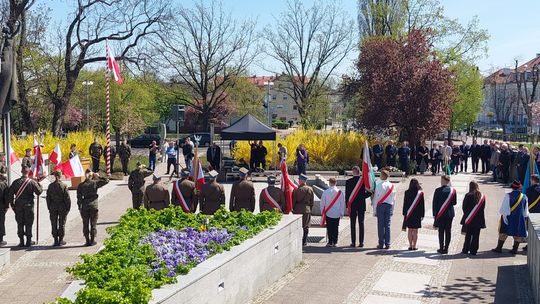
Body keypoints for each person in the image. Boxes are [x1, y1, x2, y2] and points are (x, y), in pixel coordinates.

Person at [7, 166, 43, 247]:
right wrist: (39, 184)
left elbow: (10, 194)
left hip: (18, 206)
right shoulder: (32, 182)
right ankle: (28, 241)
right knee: (28, 224)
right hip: (29, 206)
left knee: (20, 223)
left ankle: (21, 241)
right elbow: (39, 192)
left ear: (21, 171)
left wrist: (12, 205)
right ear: (28, 171)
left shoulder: (15, 182)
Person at [492, 180, 529, 254]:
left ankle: (499, 248)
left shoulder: (508, 195)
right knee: (517, 234)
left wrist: (504, 217)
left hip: (509, 217)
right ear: (519, 188)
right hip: (519, 218)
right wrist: (524, 218)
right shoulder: (524, 197)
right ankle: (515, 249)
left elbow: (504, 208)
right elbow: (525, 211)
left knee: (503, 232)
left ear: (512, 188)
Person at [77, 170, 109, 246]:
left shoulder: (81, 185)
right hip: (93, 205)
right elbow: (107, 180)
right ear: (92, 175)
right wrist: (98, 176)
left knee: (85, 224)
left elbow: (79, 198)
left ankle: (87, 240)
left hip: (85, 205)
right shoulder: (94, 183)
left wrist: (79, 207)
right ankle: (92, 240)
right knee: (93, 224)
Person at [346, 166, 371, 247]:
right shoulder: (363, 181)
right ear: (359, 172)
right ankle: (361, 242)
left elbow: (347, 195)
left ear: (353, 172)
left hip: (352, 205)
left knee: (352, 224)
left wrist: (347, 205)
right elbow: (369, 192)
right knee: (361, 223)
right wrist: (362, 197)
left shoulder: (348, 182)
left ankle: (353, 242)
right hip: (361, 205)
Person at [432, 175, 457, 254]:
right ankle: (446, 248)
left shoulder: (438, 190)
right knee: (448, 231)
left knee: (441, 231)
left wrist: (434, 214)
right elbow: (454, 202)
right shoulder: (453, 191)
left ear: (444, 181)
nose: (441, 181)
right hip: (449, 214)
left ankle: (441, 247)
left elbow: (434, 204)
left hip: (440, 214)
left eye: (441, 180)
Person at [460, 181, 486, 255]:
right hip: (479, 219)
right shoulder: (482, 196)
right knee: (476, 236)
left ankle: (465, 249)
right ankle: (473, 250)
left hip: (469, 218)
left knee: (468, 235)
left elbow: (464, 207)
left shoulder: (468, 195)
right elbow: (483, 207)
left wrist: (467, 214)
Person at [372, 169, 396, 249]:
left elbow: (375, 198)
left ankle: (381, 243)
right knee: (388, 225)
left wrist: (374, 210)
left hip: (380, 206)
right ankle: (388, 243)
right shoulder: (392, 186)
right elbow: (394, 199)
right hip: (389, 205)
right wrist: (393, 210)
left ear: (382, 176)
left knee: (381, 225)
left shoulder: (379, 186)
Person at [46, 171, 71, 246]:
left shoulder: (50, 186)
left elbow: (48, 198)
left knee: (53, 223)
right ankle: (61, 240)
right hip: (62, 206)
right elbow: (67, 198)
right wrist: (68, 207)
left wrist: (49, 207)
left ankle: (55, 240)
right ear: (60, 176)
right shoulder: (64, 185)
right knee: (61, 223)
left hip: (53, 206)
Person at [320, 177, 345, 247]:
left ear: (329, 183)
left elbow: (322, 203)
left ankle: (330, 242)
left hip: (328, 212)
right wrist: (342, 212)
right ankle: (335, 241)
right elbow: (342, 203)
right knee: (336, 227)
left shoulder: (325, 192)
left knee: (329, 227)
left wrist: (322, 211)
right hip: (337, 212)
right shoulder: (339, 192)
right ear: (336, 183)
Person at [402, 178, 424, 251]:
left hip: (409, 214)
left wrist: (404, 213)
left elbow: (405, 203)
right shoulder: (420, 193)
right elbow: (422, 205)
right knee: (415, 231)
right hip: (417, 214)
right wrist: (422, 214)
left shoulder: (407, 192)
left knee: (410, 230)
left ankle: (410, 245)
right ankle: (414, 246)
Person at [293, 174, 314, 246]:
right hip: (307, 209)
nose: (298, 181)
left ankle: (298, 241)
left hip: (297, 209)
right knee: (306, 226)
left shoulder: (296, 190)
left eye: (299, 180)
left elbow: (293, 201)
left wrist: (293, 209)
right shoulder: (310, 189)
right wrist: (310, 209)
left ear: (301, 181)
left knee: (298, 226)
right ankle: (304, 241)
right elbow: (312, 202)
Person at [0, 166, 8, 246]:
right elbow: (6, 196)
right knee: (1, 222)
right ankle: (0, 240)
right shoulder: (3, 184)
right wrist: (7, 206)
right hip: (1, 206)